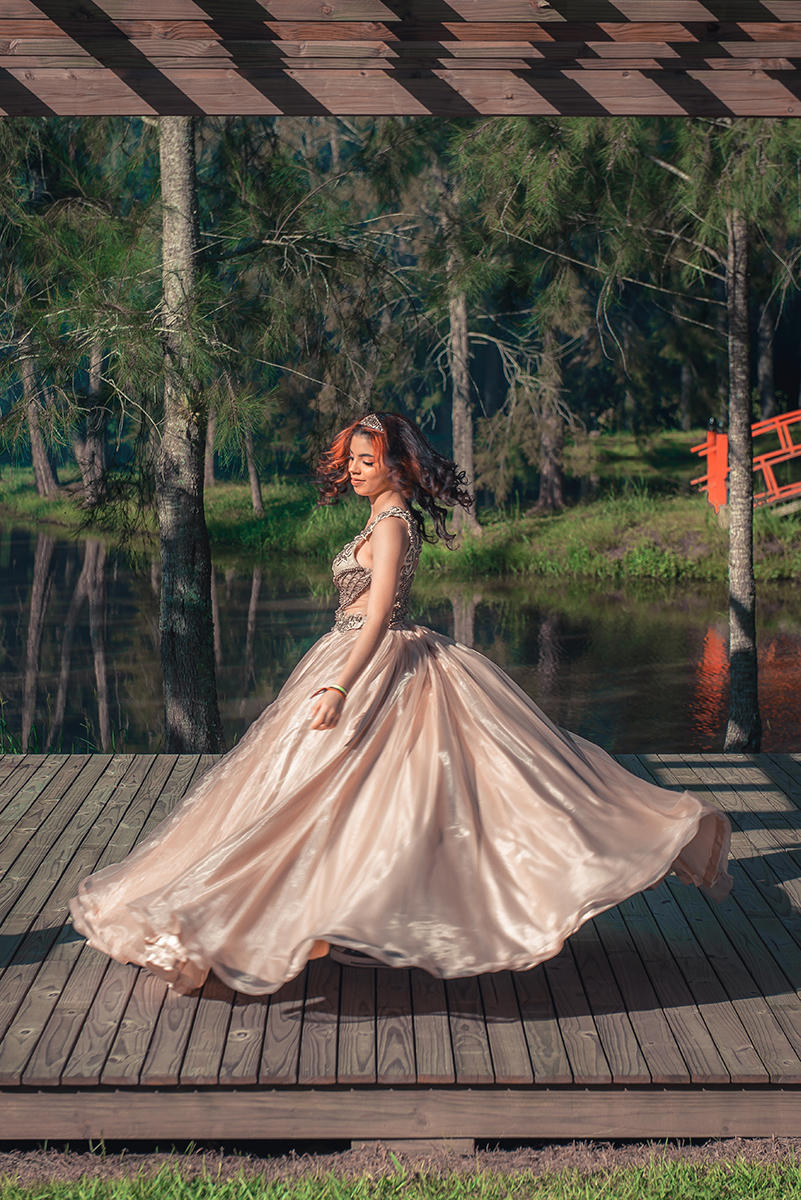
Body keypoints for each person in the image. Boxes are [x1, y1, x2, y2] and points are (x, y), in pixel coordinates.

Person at [70, 411, 731, 995]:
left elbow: (381, 614)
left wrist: (339, 687)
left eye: (368, 461)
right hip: (346, 653)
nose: (355, 472)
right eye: (351, 461)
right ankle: (311, 914)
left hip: (373, 661)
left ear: (397, 466)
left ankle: (304, 918)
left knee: (357, 794)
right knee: (310, 795)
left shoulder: (391, 525)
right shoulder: (374, 516)